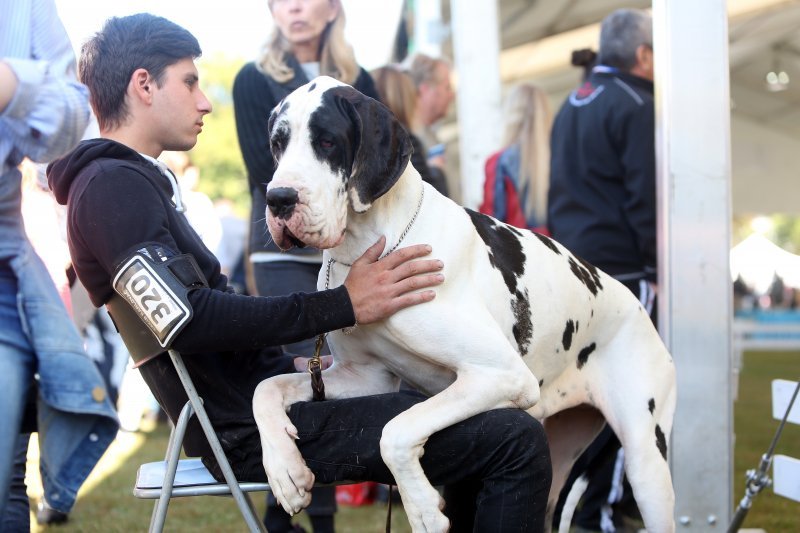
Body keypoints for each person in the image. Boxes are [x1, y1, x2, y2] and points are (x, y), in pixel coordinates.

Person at [47, 12, 553, 533]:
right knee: (514, 440)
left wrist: (309, 365)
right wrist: (345, 305)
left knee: (485, 420)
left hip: (264, 401)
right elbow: (186, 320)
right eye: (191, 81)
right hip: (246, 429)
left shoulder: (128, 183)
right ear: (144, 85)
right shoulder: (110, 187)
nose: (204, 101)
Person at [233, 2, 381, 528]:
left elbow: (372, 171)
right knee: (302, 380)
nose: (293, 6)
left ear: (333, 8)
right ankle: (287, 518)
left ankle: (319, 520)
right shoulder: (253, 79)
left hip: (347, 250)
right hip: (282, 252)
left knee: (349, 377)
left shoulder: (359, 80)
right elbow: (262, 169)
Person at [0, 0, 119, 528]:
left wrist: (10, 83)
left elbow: (70, 116)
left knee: (6, 472)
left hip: (18, 274)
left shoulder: (23, 8)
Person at [547, 8, 655, 532]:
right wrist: (659, 266)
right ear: (643, 55)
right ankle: (601, 514)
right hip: (623, 274)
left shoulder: (572, 101)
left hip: (571, 271)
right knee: (627, 398)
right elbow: (645, 199)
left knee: (577, 399)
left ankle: (575, 508)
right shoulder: (637, 104)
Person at [480, 82, 552, 234]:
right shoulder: (558, 159)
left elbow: (490, 223)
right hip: (558, 252)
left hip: (518, 253)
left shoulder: (497, 163)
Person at [371, 64, 449, 196]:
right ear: (403, 97)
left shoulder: (367, 142)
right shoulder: (404, 141)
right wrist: (437, 170)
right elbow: (429, 199)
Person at [403, 52, 455, 199]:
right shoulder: (409, 141)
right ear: (425, 89)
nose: (452, 95)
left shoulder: (427, 135)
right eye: (447, 87)